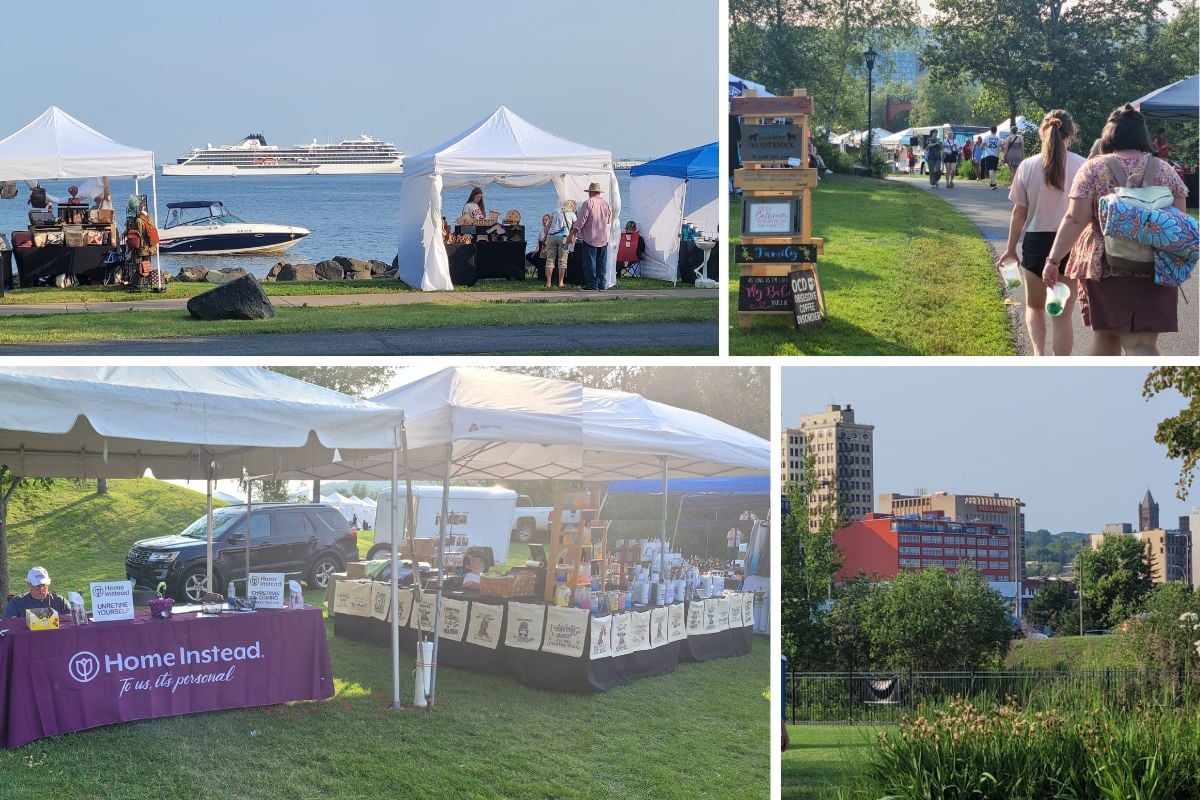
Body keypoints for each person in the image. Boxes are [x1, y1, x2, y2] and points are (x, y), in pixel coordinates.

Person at [1042, 104, 1189, 356]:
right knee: (1142, 343)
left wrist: (1053, 260)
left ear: (1109, 135)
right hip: (1154, 266)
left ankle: (1102, 394)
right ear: (1142, 136)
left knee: (1105, 336)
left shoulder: (1093, 169)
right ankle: (1149, 395)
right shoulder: (1165, 170)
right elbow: (1180, 221)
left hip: (1105, 266)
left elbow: (1075, 219)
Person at [996, 110, 1086, 356]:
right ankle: (1060, 367)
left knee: (1035, 307)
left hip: (1035, 242)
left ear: (1042, 131)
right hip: (1070, 244)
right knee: (1062, 316)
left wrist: (1010, 248)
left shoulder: (1027, 166)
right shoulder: (1083, 166)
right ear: (1070, 134)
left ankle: (1038, 356)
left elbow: (1019, 213)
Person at [568, 183, 612, 291]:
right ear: (599, 192)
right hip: (603, 237)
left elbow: (581, 220)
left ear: (590, 192)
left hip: (590, 237)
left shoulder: (588, 203)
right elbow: (609, 221)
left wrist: (572, 233)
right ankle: (601, 284)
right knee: (601, 263)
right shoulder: (606, 204)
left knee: (589, 263)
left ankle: (592, 285)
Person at [4, 566, 71, 619]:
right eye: (36, 586)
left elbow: (73, 621)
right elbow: (8, 626)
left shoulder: (60, 601)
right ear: (28, 584)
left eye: (44, 585)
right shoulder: (16, 603)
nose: (41, 589)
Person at [544, 200, 576, 288]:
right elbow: (575, 226)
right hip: (564, 238)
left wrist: (545, 236)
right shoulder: (572, 214)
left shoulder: (555, 211)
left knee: (550, 259)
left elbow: (548, 226)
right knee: (562, 260)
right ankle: (561, 282)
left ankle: (548, 282)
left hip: (551, 236)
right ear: (572, 207)